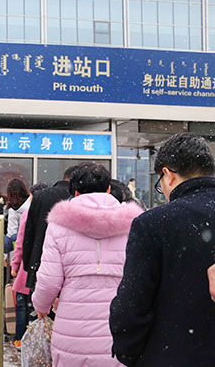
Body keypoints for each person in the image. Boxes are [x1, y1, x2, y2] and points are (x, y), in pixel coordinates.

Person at [110, 133, 215, 366]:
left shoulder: (154, 223)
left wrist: (130, 352)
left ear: (168, 175)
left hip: (172, 354)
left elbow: (131, 305)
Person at [31, 163, 142, 367]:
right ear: (109, 189)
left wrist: (41, 307)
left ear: (74, 191)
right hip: (119, 325)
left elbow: (49, 280)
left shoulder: (59, 225)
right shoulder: (134, 224)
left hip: (72, 328)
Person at [22, 165, 79, 290]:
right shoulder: (76, 197)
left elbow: (28, 235)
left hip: (39, 262)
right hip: (70, 267)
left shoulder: (41, 196)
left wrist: (28, 264)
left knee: (40, 306)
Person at [10, 182, 48, 348]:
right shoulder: (51, 214)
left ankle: (20, 340)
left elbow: (20, 244)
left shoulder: (28, 214)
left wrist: (15, 265)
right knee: (36, 309)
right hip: (42, 269)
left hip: (27, 269)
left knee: (22, 307)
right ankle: (34, 343)